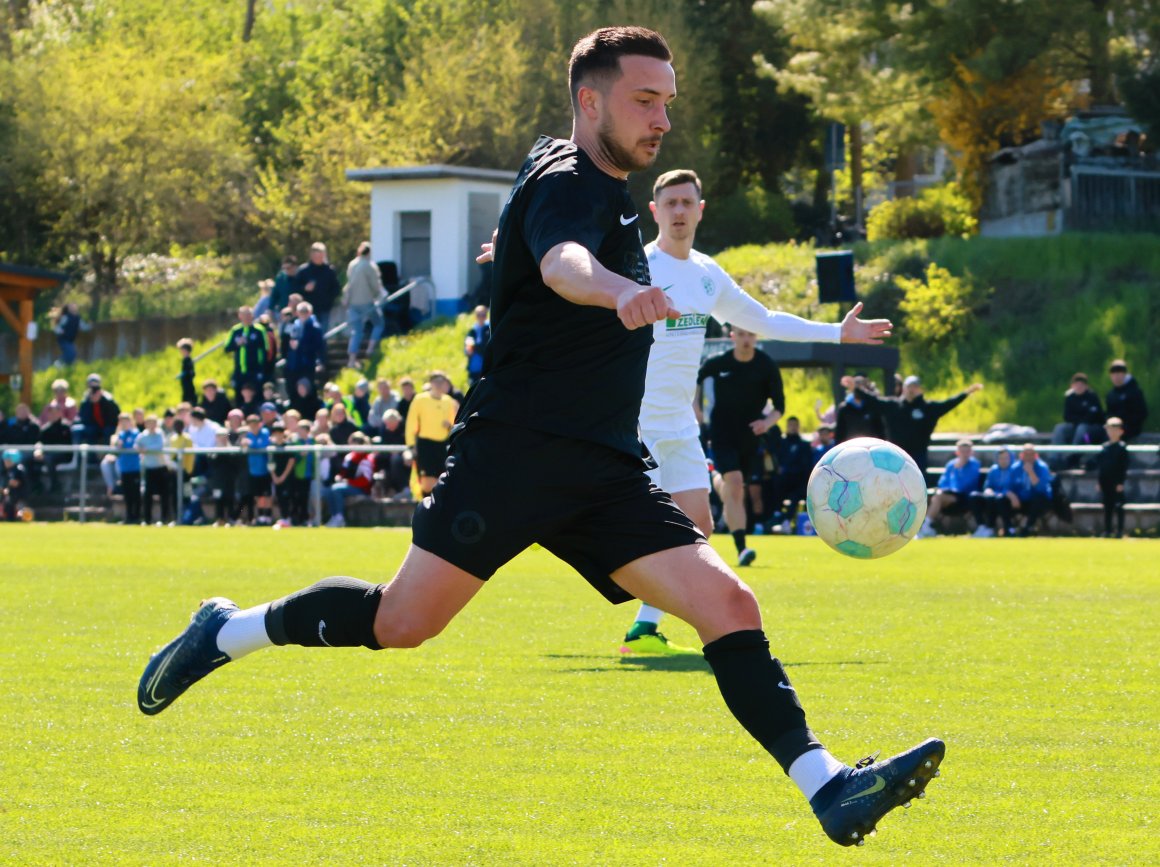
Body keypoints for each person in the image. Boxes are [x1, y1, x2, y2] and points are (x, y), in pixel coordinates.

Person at [137, 27, 943, 849]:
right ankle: (227, 631)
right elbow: (563, 262)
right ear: (590, 100)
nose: (661, 118)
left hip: (603, 466)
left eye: (667, 101)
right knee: (402, 622)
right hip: (514, 452)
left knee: (728, 600)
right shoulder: (569, 178)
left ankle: (829, 785)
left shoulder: (592, 185)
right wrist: (618, 291)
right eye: (643, 99)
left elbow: (554, 253)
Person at [697, 326, 785, 567]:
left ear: (756, 337)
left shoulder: (766, 365)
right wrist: (695, 409)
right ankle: (742, 549)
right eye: (742, 334)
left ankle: (713, 474)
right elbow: (695, 378)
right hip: (721, 433)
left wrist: (766, 423)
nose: (747, 340)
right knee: (735, 485)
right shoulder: (718, 362)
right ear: (733, 336)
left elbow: (779, 407)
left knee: (734, 490)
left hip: (750, 437)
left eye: (751, 335)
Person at [855, 375, 983, 473]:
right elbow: (873, 400)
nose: (911, 390)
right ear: (903, 388)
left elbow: (949, 403)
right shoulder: (892, 406)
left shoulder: (928, 408)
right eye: (908, 386)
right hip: (895, 455)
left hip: (918, 456)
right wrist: (856, 388)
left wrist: (966, 393)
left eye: (914, 387)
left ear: (920, 389)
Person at [403, 371, 458, 495]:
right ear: (431, 383)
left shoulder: (449, 401)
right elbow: (411, 423)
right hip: (425, 445)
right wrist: (411, 445)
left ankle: (437, 511)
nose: (439, 385)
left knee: (441, 480)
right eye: (436, 381)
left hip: (442, 446)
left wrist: (449, 426)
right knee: (427, 484)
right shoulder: (420, 399)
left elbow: (455, 425)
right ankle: (424, 508)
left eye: (442, 382)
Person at [917, 438, 981, 538]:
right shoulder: (951, 464)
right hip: (949, 495)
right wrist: (945, 489)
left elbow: (966, 484)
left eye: (967, 451)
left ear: (971, 452)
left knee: (938, 498)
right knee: (935, 497)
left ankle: (925, 525)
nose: (965, 454)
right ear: (957, 452)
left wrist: (959, 470)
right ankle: (927, 526)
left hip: (965, 497)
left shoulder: (974, 465)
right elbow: (942, 482)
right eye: (962, 451)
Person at [344, 241, 386, 369]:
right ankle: (370, 349)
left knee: (356, 331)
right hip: (366, 301)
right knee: (379, 323)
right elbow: (375, 285)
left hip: (352, 303)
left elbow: (348, 282)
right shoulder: (369, 266)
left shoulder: (352, 264)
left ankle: (351, 360)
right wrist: (377, 295)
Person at [1049, 372, 1104, 467]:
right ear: (1072, 386)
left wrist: (1080, 420)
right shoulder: (1070, 397)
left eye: (1081, 385)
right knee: (1059, 428)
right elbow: (1067, 416)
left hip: (1089, 434)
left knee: (1082, 428)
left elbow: (1095, 416)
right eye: (1076, 384)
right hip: (1075, 426)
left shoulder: (1092, 397)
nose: (1079, 387)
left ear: (1086, 386)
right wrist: (1079, 420)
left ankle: (1072, 455)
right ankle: (1055, 458)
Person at [323, 431, 375, 527]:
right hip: (349, 485)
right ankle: (334, 516)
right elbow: (344, 472)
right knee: (329, 490)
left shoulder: (367, 458)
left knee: (336, 490)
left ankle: (339, 517)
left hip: (362, 488)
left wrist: (349, 482)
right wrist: (340, 477)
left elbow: (366, 480)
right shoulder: (349, 456)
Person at [968, 447, 1016, 537]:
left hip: (1008, 500)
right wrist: (988, 490)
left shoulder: (1015, 470)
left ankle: (993, 527)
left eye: (1006, 458)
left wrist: (1005, 492)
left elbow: (1015, 488)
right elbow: (988, 486)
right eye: (1001, 458)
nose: (1003, 461)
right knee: (974, 496)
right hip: (993, 497)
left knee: (998, 498)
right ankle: (982, 526)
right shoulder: (994, 469)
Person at [1008, 443, 1053, 534]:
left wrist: (1031, 472)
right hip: (1020, 501)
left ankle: (1027, 527)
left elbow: (1041, 489)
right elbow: (1008, 486)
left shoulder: (1042, 467)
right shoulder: (1015, 468)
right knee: (1001, 500)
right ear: (1021, 455)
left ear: (1036, 455)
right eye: (1026, 454)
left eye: (1031, 454)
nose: (1028, 457)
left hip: (1039, 502)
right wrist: (1011, 496)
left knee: (1038, 498)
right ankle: (1008, 528)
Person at [224, 307, 268, 400]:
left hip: (254, 370)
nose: (246, 317)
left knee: (256, 396)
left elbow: (265, 350)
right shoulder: (235, 330)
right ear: (240, 316)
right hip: (239, 370)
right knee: (239, 396)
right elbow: (227, 348)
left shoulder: (259, 330)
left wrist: (262, 369)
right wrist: (237, 344)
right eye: (244, 315)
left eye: (249, 315)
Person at [297, 242, 341, 333]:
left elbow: (336, 288)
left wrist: (329, 300)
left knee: (322, 333)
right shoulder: (304, 271)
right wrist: (305, 288)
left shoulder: (329, 271)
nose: (318, 258)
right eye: (316, 256)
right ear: (311, 255)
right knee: (307, 333)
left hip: (324, 308)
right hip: (307, 309)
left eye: (320, 255)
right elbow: (296, 288)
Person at [1096, 417, 1129, 537]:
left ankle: (1120, 530)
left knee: (1118, 506)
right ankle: (1108, 530)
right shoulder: (1105, 447)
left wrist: (1121, 482)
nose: (1112, 433)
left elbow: (1123, 467)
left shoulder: (1122, 448)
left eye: (1115, 430)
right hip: (1106, 481)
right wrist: (1099, 481)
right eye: (1110, 430)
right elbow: (1101, 467)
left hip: (1116, 482)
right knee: (1107, 507)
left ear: (1121, 431)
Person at [136, 414, 170, 525]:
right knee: (147, 495)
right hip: (149, 467)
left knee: (164, 494)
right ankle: (147, 519)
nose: (151, 425)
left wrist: (146, 449)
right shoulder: (142, 436)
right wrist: (141, 449)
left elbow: (160, 446)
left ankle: (165, 518)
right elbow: (136, 446)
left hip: (160, 467)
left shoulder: (160, 434)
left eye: (153, 423)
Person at [1105, 359, 1148, 442]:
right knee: (1092, 435)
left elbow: (1141, 413)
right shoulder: (1111, 394)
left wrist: (1122, 426)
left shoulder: (1134, 392)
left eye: (1119, 373)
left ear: (1124, 374)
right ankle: (1079, 452)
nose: (1116, 376)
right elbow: (1109, 413)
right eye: (1114, 373)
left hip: (1129, 430)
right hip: (1112, 428)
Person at [834, 374, 885, 443]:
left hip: (870, 447)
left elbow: (880, 430)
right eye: (856, 384)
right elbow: (839, 433)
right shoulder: (844, 408)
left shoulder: (872, 407)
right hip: (850, 447)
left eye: (861, 385)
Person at [285, 301, 324, 388]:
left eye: (305, 312)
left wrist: (320, 362)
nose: (302, 315)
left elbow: (319, 346)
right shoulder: (295, 325)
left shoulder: (315, 327)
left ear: (309, 312)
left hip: (308, 363)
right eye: (300, 312)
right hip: (295, 363)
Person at [75, 373, 120, 445]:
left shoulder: (108, 400)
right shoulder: (85, 401)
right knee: (79, 430)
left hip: (108, 426)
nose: (93, 392)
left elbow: (115, 417)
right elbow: (83, 418)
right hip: (93, 427)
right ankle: (79, 455)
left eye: (96, 389)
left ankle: (106, 453)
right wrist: (90, 402)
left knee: (108, 431)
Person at [464, 305, 491, 388]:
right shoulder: (472, 330)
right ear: (475, 316)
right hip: (474, 368)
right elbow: (467, 348)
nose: (481, 317)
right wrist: (468, 351)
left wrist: (475, 347)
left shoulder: (489, 329)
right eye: (479, 315)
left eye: (483, 315)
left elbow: (487, 347)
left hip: (486, 367)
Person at [177, 338, 197, 406]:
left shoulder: (188, 360)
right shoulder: (185, 360)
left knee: (188, 399)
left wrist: (184, 374)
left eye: (181, 350)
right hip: (185, 384)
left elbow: (192, 373)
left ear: (186, 350)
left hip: (188, 384)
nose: (181, 352)